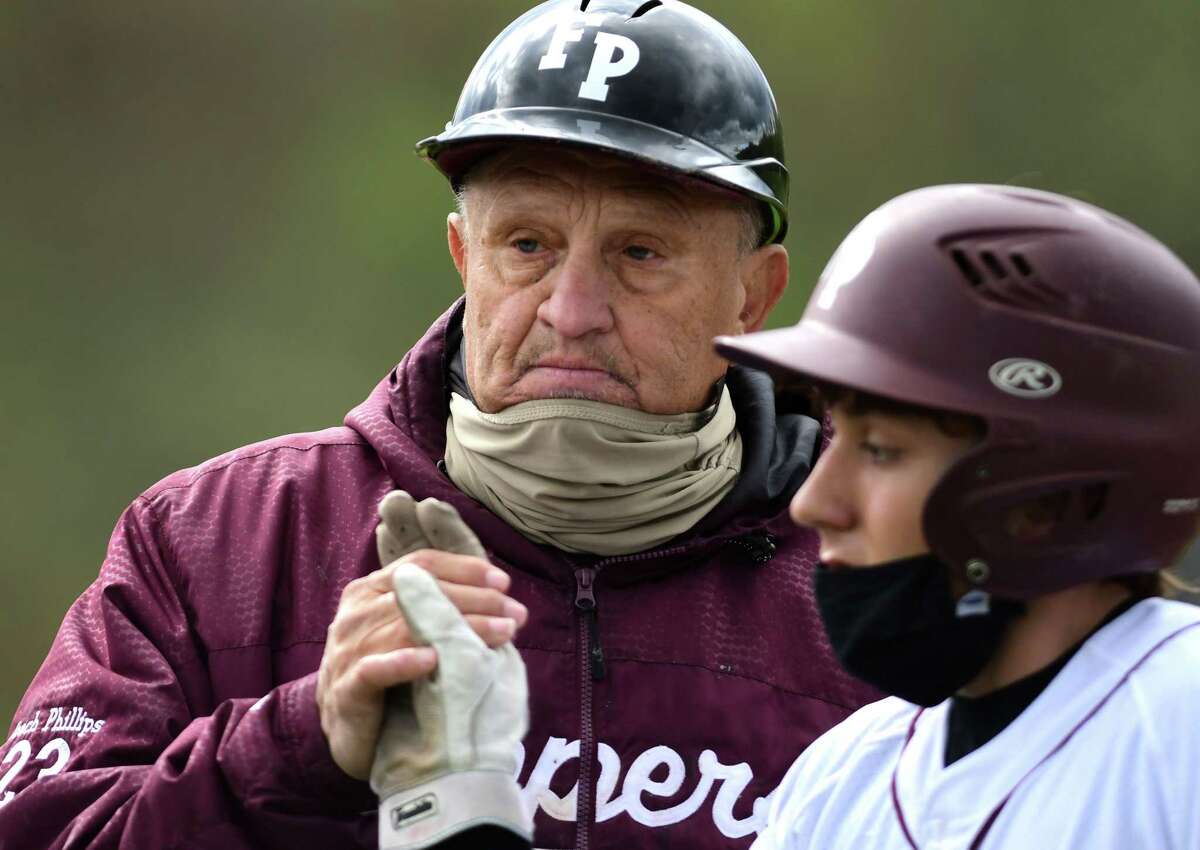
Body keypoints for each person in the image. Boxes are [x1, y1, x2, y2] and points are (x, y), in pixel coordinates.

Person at [0, 2, 876, 848]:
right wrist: (305, 740)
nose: (571, 312)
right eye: (527, 245)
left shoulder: (891, 581)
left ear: (755, 294)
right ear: (465, 256)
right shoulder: (212, 542)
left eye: (640, 253)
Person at [712, 183, 1200, 849]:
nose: (813, 503)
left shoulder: (1180, 727)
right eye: (837, 437)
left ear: (1045, 496)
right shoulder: (838, 783)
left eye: (881, 450)